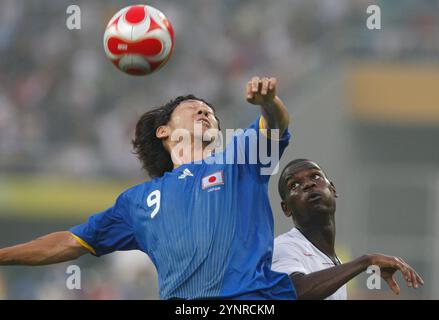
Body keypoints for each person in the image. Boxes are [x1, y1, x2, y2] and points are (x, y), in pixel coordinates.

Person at [0, 76, 298, 300]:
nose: (206, 113)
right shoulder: (137, 201)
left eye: (211, 113)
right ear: (163, 131)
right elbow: (71, 242)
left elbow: (275, 124)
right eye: (194, 108)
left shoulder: (239, 162)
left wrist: (269, 102)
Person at [272, 159, 424, 300]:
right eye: (294, 185)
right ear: (286, 208)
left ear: (332, 189)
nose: (308, 184)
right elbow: (293, 292)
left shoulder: (333, 264)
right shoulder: (283, 248)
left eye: (316, 176)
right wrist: (366, 261)